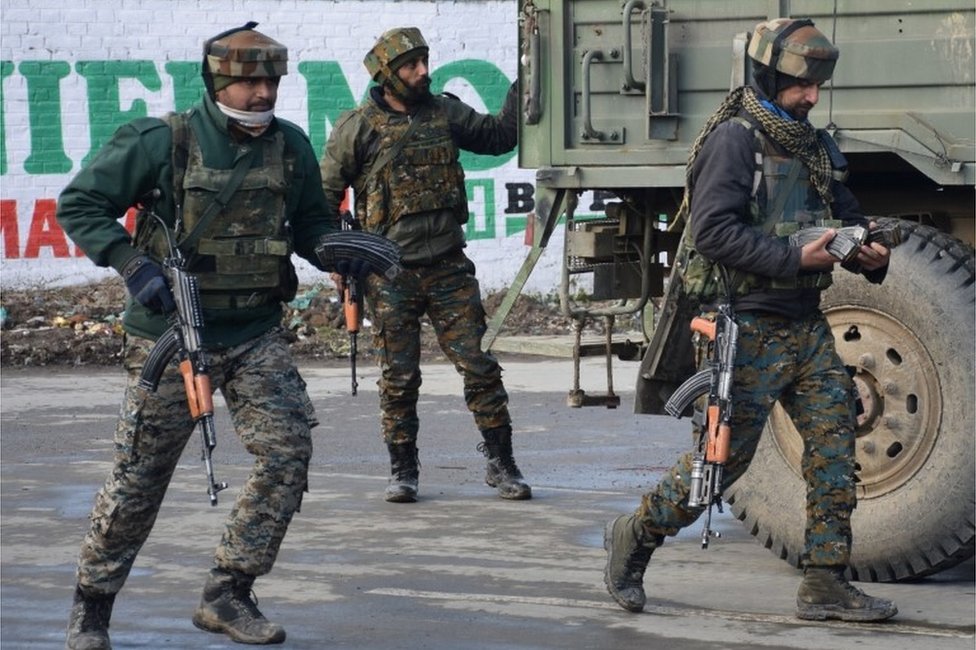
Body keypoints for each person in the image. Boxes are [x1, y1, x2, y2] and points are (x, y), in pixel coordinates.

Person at [56, 23, 357, 648]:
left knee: (287, 453)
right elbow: (80, 202)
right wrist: (132, 263)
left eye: (269, 81)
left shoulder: (292, 147)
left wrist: (336, 249)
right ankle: (93, 606)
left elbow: (309, 224)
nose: (260, 93)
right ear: (217, 81)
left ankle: (229, 591)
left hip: (254, 331)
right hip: (172, 337)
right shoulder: (162, 140)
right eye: (247, 81)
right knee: (141, 475)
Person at [603, 18, 899, 622]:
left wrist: (869, 252)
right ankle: (634, 535)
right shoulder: (735, 141)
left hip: (803, 324)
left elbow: (847, 217)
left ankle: (824, 584)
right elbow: (712, 233)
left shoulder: (813, 146)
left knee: (835, 450)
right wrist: (794, 257)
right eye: (800, 83)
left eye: (818, 84)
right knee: (722, 463)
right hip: (745, 324)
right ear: (765, 76)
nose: (812, 95)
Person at [320, 27, 531, 503]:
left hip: (449, 269)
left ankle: (503, 464)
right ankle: (403, 469)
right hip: (388, 274)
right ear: (387, 75)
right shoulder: (358, 128)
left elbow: (498, 137)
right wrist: (336, 259)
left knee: (480, 367)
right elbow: (324, 199)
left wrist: (524, 83)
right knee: (399, 376)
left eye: (424, 62)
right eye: (411, 66)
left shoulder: (444, 111)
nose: (422, 72)